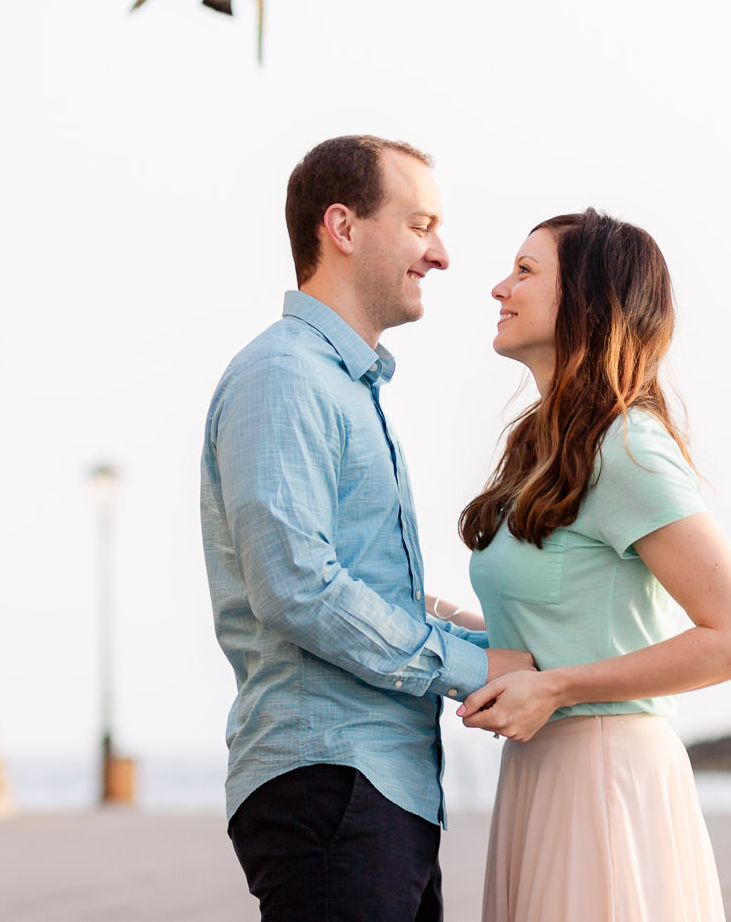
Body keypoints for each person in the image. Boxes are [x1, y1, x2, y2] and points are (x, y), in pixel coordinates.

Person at [201, 135, 535, 922]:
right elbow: (298, 588)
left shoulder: (344, 386)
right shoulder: (285, 376)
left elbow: (355, 586)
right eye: (420, 225)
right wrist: (471, 666)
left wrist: (506, 650)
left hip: (377, 787)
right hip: (334, 784)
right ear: (343, 228)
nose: (442, 254)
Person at [442, 209, 731, 922]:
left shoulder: (629, 448)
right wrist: (441, 623)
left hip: (605, 774)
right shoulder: (546, 451)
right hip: (543, 769)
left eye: (525, 271)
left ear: (586, 300)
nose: (499, 287)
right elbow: (564, 630)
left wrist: (557, 688)